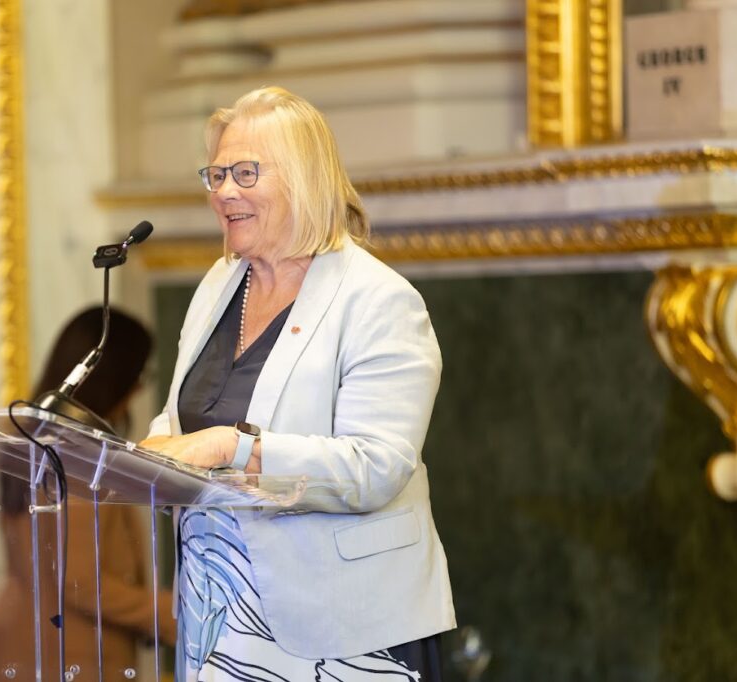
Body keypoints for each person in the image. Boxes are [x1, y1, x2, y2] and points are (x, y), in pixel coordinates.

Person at [140, 86, 455, 681]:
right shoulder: (218, 284)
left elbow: (376, 466)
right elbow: (188, 415)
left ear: (305, 179)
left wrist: (232, 448)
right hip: (220, 619)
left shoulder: (379, 299)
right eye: (216, 175)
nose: (223, 192)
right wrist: (145, 453)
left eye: (245, 173)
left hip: (346, 631)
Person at [0, 306, 177, 682]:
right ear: (112, 378)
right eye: (139, 375)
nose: (139, 388)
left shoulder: (29, 436)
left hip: (22, 644)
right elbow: (80, 583)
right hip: (70, 654)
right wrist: (174, 614)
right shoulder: (75, 453)